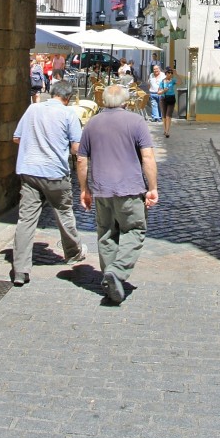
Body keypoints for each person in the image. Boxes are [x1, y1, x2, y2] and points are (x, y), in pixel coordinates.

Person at [76, 83, 159, 304]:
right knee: (134, 230)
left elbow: (82, 159)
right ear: (125, 100)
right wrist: (152, 188)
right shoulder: (136, 122)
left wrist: (84, 189)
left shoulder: (92, 124)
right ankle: (118, 272)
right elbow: (148, 158)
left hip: (102, 190)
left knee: (106, 234)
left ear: (103, 100)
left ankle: (110, 278)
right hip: (130, 189)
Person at [11, 79, 88, 286]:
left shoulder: (32, 109)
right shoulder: (68, 114)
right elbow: (76, 148)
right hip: (55, 173)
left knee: (26, 220)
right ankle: (73, 252)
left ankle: (20, 269)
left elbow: (17, 138)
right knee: (64, 214)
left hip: (29, 171)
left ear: (52, 92)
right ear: (68, 98)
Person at [158, 67, 178, 138]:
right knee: (164, 116)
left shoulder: (173, 81)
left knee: (168, 115)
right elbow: (159, 92)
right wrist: (164, 91)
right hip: (163, 99)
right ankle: (165, 130)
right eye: (169, 73)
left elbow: (180, 82)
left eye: (171, 73)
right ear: (166, 73)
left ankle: (167, 131)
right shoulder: (162, 82)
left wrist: (176, 74)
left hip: (171, 99)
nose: (170, 74)